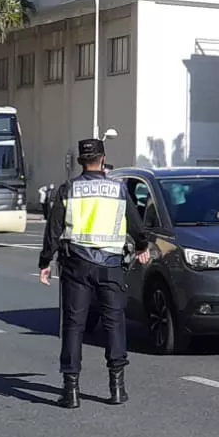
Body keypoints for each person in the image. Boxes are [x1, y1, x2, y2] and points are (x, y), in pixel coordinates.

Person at [37, 139, 151, 409]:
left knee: (74, 326)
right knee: (114, 323)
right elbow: (135, 223)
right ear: (102, 159)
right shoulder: (118, 188)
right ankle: (117, 387)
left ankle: (71, 390)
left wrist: (45, 262)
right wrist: (143, 246)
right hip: (111, 265)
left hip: (76, 264)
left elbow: (53, 229)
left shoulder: (69, 188)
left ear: (81, 161)